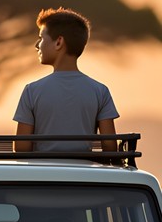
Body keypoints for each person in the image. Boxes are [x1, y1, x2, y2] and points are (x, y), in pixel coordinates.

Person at [13, 8, 118, 153]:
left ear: (58, 42)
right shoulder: (100, 91)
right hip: (84, 168)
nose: (37, 45)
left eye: (41, 38)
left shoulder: (31, 91)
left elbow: (21, 148)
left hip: (42, 168)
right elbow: (110, 147)